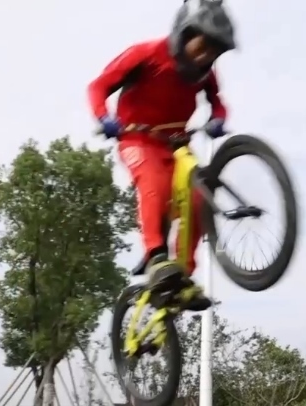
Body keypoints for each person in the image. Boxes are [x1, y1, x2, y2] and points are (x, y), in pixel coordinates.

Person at [87, 0, 237, 311]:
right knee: (153, 181)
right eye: (202, 46)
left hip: (177, 145)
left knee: (199, 197)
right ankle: (157, 257)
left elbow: (217, 102)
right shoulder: (146, 54)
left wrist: (218, 119)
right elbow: (98, 86)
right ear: (185, 34)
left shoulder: (204, 75)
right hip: (138, 139)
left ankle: (181, 276)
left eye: (214, 52)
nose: (205, 56)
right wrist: (104, 117)